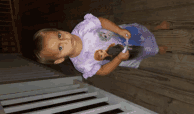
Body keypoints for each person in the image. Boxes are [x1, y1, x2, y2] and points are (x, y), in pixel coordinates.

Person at [33, 13, 169, 79]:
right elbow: (103, 71)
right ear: (60, 59)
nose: (66, 41)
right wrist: (118, 60)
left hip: (119, 34)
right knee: (143, 50)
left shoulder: (82, 29)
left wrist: (119, 30)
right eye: (60, 48)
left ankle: (156, 27)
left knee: (138, 29)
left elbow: (101, 22)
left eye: (59, 36)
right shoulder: (82, 64)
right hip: (120, 53)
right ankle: (157, 49)